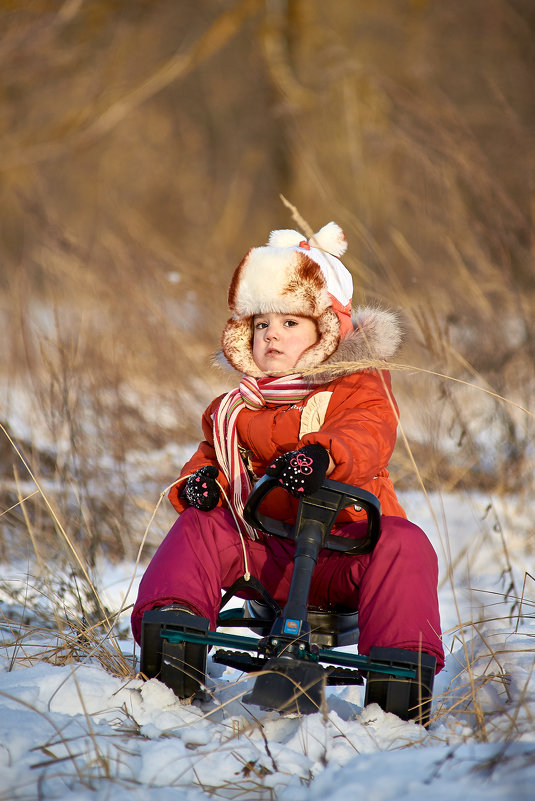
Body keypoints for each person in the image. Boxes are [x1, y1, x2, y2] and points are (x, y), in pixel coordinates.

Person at [132, 221, 444, 722]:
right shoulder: (234, 407)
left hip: (343, 549)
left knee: (406, 546)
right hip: (266, 552)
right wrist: (199, 484)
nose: (272, 334)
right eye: (261, 325)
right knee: (200, 527)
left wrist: (320, 456)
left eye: (291, 323)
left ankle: (400, 678)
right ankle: (173, 640)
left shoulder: (357, 386)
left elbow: (366, 433)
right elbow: (211, 457)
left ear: (327, 333)